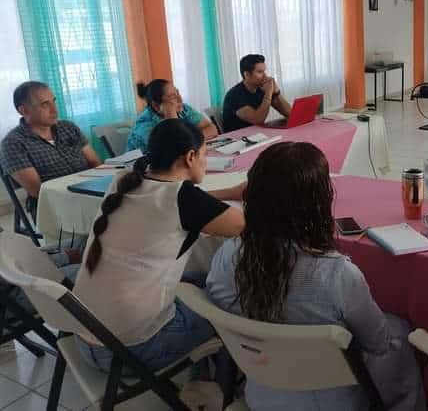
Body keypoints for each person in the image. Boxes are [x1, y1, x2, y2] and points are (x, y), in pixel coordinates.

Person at [206, 142, 425, 411]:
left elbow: (220, 302)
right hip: (333, 401)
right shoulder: (337, 274)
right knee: (399, 329)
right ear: (319, 203)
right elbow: (378, 343)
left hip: (262, 393)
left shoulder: (227, 255)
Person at [73, 119, 246, 373]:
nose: (205, 162)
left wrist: (229, 192)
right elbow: (244, 225)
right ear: (190, 157)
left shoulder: (124, 179)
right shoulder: (183, 200)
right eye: (204, 154)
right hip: (132, 352)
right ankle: (215, 380)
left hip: (87, 338)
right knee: (228, 298)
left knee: (200, 278)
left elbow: (185, 203)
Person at [0, 81, 101, 220]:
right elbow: (39, 191)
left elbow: (95, 162)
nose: (54, 110)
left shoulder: (68, 127)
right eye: (45, 104)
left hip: (91, 192)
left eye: (53, 101)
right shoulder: (13, 144)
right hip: (54, 206)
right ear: (23, 110)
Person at [126, 79, 218, 154]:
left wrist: (189, 140)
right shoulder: (145, 124)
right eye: (173, 97)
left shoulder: (184, 109)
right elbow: (172, 149)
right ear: (157, 106)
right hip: (140, 170)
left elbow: (212, 129)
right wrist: (172, 117)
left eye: (178, 93)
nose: (180, 99)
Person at [222, 54, 292, 131]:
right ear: (247, 75)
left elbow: (289, 113)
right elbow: (258, 120)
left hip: (257, 134)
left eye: (264, 71)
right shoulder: (234, 95)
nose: (265, 76)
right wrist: (268, 92)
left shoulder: (261, 88)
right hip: (237, 138)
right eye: (260, 72)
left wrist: (276, 92)